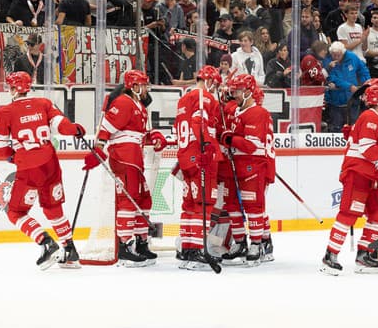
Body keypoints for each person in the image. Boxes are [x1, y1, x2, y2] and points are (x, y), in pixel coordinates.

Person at [0, 71, 84, 269]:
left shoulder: (6, 112)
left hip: (29, 168)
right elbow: (66, 128)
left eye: (10, 87)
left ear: (15, 89)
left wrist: (13, 157)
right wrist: (78, 129)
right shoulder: (44, 103)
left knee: (15, 212)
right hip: (51, 164)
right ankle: (69, 251)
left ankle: (45, 241)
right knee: (53, 207)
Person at [86, 70, 165, 267]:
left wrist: (154, 137)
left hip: (135, 158)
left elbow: (140, 134)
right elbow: (106, 127)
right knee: (128, 201)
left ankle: (141, 242)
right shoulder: (122, 102)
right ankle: (124, 246)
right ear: (135, 86)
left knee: (144, 199)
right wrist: (98, 149)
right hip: (124, 157)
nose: (147, 89)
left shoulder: (140, 106)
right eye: (144, 85)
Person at [320, 84, 378, 275]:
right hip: (359, 173)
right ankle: (330, 256)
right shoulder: (370, 117)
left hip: (371, 175)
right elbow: (367, 149)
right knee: (348, 214)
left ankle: (365, 254)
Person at [219, 74, 276, 265]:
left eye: (238, 90)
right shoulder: (237, 110)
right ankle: (240, 242)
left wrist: (231, 139)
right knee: (232, 204)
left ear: (249, 91)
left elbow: (251, 145)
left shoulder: (257, 112)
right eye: (233, 90)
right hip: (236, 163)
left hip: (254, 164)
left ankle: (258, 243)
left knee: (254, 207)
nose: (234, 94)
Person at [174, 65, 223, 269]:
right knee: (203, 204)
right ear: (210, 81)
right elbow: (199, 123)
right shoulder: (205, 98)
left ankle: (186, 249)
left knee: (189, 204)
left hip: (185, 157)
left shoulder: (183, 98)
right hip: (201, 157)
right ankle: (197, 250)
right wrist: (206, 148)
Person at [323, 41, 370, 132]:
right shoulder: (328, 61)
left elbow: (363, 70)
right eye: (334, 55)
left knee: (353, 126)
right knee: (337, 128)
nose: (336, 57)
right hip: (335, 101)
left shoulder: (352, 57)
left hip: (352, 100)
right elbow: (332, 78)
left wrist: (366, 83)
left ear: (343, 53)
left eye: (338, 55)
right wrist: (349, 86)